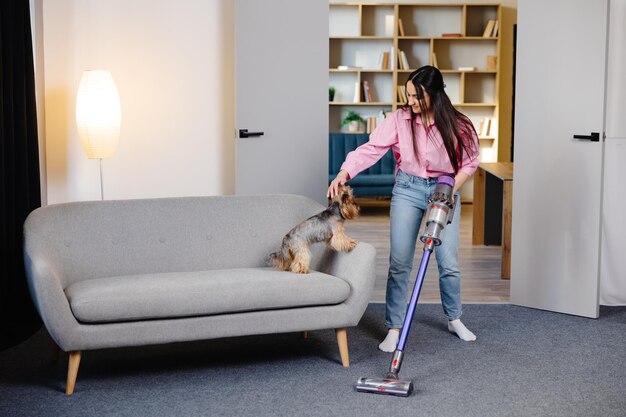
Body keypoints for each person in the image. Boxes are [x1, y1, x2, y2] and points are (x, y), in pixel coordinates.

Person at [327, 65, 480, 352]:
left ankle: (454, 318)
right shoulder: (400, 119)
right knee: (399, 263)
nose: (410, 102)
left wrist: (449, 189)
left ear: (434, 95)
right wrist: (344, 173)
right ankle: (394, 328)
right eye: (408, 95)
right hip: (408, 189)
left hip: (444, 189)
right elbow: (371, 149)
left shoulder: (459, 124)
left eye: (416, 97)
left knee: (448, 262)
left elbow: (470, 161)